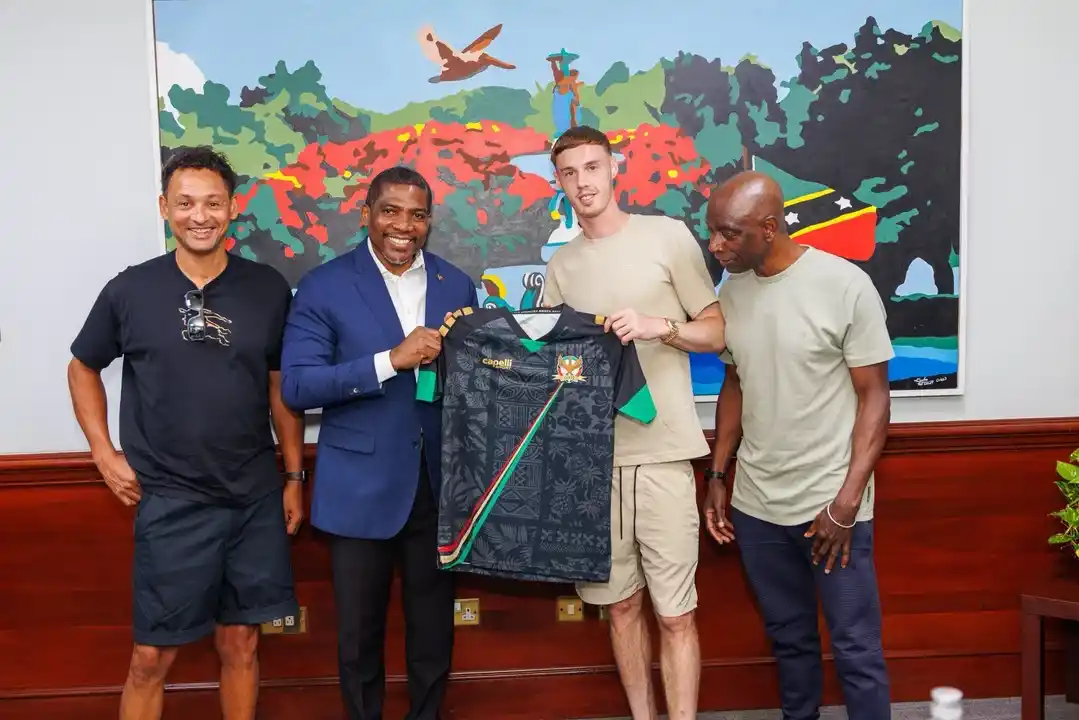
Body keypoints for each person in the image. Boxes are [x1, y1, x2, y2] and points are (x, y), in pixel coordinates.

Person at [67, 145, 306, 720]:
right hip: (170, 501)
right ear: (164, 208)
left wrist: (294, 475)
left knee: (242, 643)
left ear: (232, 209)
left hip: (252, 497)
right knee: (151, 656)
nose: (200, 215)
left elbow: (280, 387)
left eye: (213, 203)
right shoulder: (130, 290)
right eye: (186, 203)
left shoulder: (268, 288)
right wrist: (103, 452)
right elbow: (82, 365)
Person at [541, 125, 727, 720]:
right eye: (570, 174)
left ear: (613, 167)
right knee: (619, 607)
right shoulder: (561, 266)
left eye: (592, 168)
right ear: (560, 183)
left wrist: (658, 327)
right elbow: (547, 367)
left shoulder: (667, 237)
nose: (583, 183)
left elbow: (717, 330)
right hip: (590, 465)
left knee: (676, 613)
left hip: (665, 454)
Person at [279, 166, 477, 720]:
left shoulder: (456, 285)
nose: (403, 225)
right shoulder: (324, 286)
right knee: (359, 638)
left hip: (438, 489)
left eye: (416, 215)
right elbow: (297, 386)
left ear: (429, 223)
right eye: (390, 210)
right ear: (366, 214)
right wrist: (391, 360)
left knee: (434, 631)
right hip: (359, 490)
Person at [702, 171, 893, 720]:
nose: (717, 246)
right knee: (790, 643)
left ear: (769, 228)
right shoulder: (732, 290)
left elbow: (875, 399)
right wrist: (718, 477)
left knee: (856, 648)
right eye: (712, 231)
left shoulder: (845, 285)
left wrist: (847, 504)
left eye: (729, 234)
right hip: (757, 506)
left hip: (829, 507)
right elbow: (735, 383)